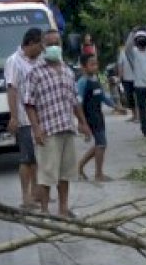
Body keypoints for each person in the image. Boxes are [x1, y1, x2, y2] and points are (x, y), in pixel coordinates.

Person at [24, 29, 92, 217]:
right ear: (43, 46)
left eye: (57, 43)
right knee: (46, 174)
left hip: (66, 127)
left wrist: (83, 123)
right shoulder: (35, 73)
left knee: (66, 172)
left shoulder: (67, 71)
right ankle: (45, 211)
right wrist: (36, 128)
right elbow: (29, 104)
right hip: (47, 130)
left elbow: (75, 100)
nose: (54, 47)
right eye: (50, 43)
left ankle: (63, 208)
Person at [5, 27, 45, 210]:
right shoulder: (13, 62)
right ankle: (25, 196)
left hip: (40, 116)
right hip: (24, 117)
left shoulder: (39, 61)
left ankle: (37, 192)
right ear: (30, 43)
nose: (42, 48)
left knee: (38, 158)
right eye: (40, 44)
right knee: (27, 158)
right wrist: (13, 116)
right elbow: (11, 89)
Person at [77, 53, 125, 181]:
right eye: (91, 64)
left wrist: (116, 107)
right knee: (101, 143)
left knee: (100, 144)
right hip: (90, 117)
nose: (95, 67)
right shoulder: (82, 83)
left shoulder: (96, 80)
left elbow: (103, 97)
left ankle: (80, 166)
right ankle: (98, 174)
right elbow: (77, 103)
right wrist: (82, 122)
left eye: (96, 64)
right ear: (84, 67)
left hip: (98, 115)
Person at [128, 29, 146, 137]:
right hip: (139, 86)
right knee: (143, 110)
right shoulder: (134, 52)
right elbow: (127, 48)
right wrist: (132, 33)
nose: (142, 41)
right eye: (139, 39)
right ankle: (145, 131)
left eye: (143, 39)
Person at [117, 43, 138, 122]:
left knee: (136, 97)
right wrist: (120, 77)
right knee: (130, 97)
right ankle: (134, 115)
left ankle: (137, 115)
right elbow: (120, 65)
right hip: (127, 78)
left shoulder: (137, 50)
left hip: (137, 78)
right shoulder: (123, 52)